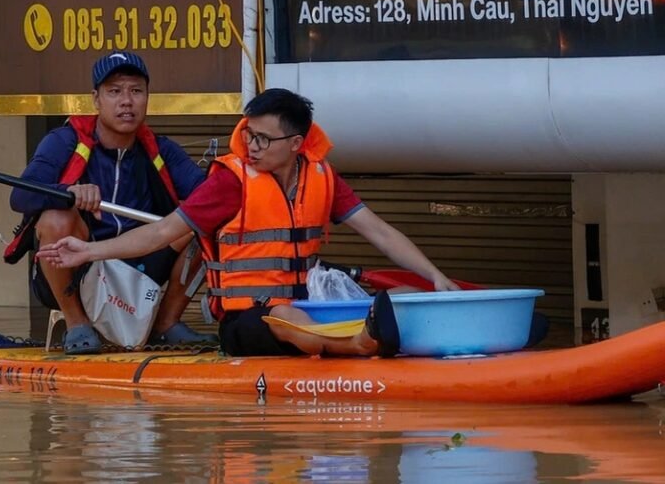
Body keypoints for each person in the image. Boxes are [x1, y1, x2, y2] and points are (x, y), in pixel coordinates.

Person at [36, 88, 460, 358]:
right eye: (249, 134)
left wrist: (436, 278)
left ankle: (401, 334)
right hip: (247, 323)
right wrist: (91, 250)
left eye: (263, 139)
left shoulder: (322, 177)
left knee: (403, 294)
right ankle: (356, 345)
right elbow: (164, 232)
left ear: (296, 144)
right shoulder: (230, 181)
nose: (251, 146)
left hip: (307, 307)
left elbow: (381, 232)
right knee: (288, 318)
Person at [9, 50, 217, 355]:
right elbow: (20, 197)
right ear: (96, 99)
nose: (126, 101)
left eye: (136, 91)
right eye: (114, 92)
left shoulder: (162, 150)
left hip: (141, 263)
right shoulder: (64, 140)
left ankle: (165, 324)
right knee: (55, 217)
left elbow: (207, 197)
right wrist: (69, 192)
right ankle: (76, 322)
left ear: (148, 97)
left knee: (203, 222)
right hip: (78, 267)